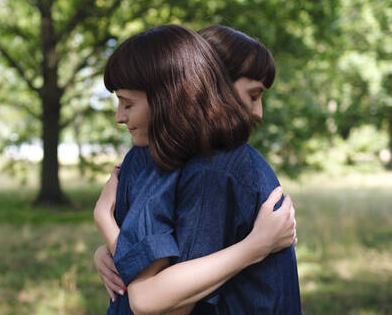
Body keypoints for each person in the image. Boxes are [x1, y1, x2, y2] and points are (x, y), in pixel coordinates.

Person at [94, 24, 301, 314]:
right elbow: (155, 259)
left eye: (128, 104)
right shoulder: (171, 161)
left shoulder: (213, 169)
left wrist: (105, 221)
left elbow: (154, 299)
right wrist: (112, 246)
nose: (258, 113)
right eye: (253, 95)